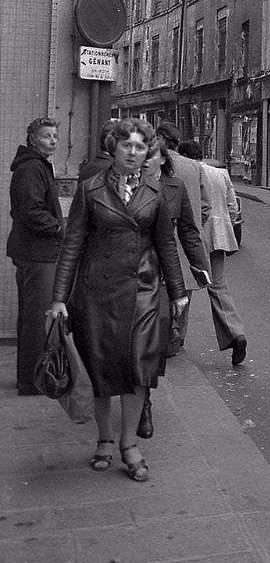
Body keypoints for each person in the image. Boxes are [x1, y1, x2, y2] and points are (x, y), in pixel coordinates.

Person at [48, 118, 188, 483]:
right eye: (127, 145)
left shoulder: (155, 191)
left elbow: (166, 244)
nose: (133, 152)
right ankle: (105, 439)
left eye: (141, 147)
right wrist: (59, 298)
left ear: (148, 153)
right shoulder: (90, 189)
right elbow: (72, 244)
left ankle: (129, 444)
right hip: (96, 293)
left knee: (138, 368)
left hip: (142, 292)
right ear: (114, 147)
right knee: (99, 369)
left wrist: (178, 292)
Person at [136, 143, 211, 439]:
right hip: (128, 273)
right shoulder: (124, 185)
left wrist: (199, 264)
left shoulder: (175, 187)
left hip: (163, 273)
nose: (144, 160)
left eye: (150, 155)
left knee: (156, 335)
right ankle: (140, 399)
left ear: (162, 159)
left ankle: (144, 394)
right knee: (133, 337)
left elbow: (188, 230)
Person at [6, 117, 65, 396]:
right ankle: (33, 380)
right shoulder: (32, 168)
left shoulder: (36, 165)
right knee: (36, 318)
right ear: (32, 138)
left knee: (34, 316)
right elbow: (31, 211)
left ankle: (32, 377)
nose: (52, 140)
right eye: (46, 136)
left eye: (55, 136)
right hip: (37, 252)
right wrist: (58, 228)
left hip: (35, 250)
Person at [178, 140, 247, 367]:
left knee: (185, 285)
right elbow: (232, 207)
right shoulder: (220, 173)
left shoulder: (186, 172)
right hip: (219, 235)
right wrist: (225, 225)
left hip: (195, 235)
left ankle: (177, 336)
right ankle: (236, 333)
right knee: (218, 285)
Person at [154, 120, 209, 355]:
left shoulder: (151, 164)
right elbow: (205, 206)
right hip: (187, 241)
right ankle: (176, 340)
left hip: (162, 243)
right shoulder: (195, 167)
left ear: (161, 140)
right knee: (183, 294)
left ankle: (162, 338)